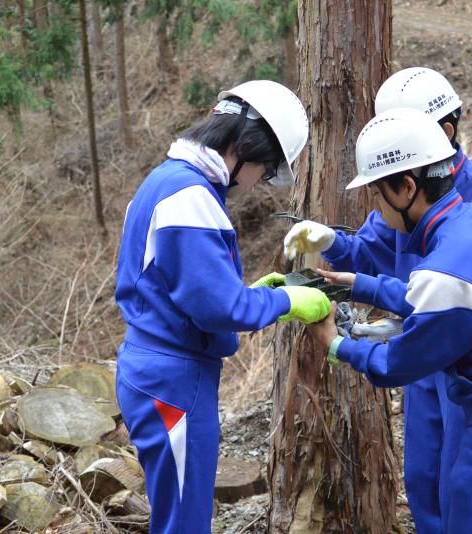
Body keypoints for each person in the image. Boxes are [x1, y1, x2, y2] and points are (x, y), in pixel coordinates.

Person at [282, 67, 472, 533]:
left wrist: (347, 345)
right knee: (424, 482)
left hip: (468, 368)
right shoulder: (407, 195)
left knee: (464, 494)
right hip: (425, 361)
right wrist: (332, 243)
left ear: (444, 132)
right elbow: (372, 249)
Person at [114, 80, 331, 534]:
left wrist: (250, 292)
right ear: (248, 147)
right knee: (185, 521)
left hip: (157, 368)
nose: (260, 182)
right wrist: (289, 300)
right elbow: (218, 309)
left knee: (178, 511)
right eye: (267, 170)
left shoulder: (166, 181)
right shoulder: (190, 197)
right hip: (174, 377)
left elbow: (182, 290)